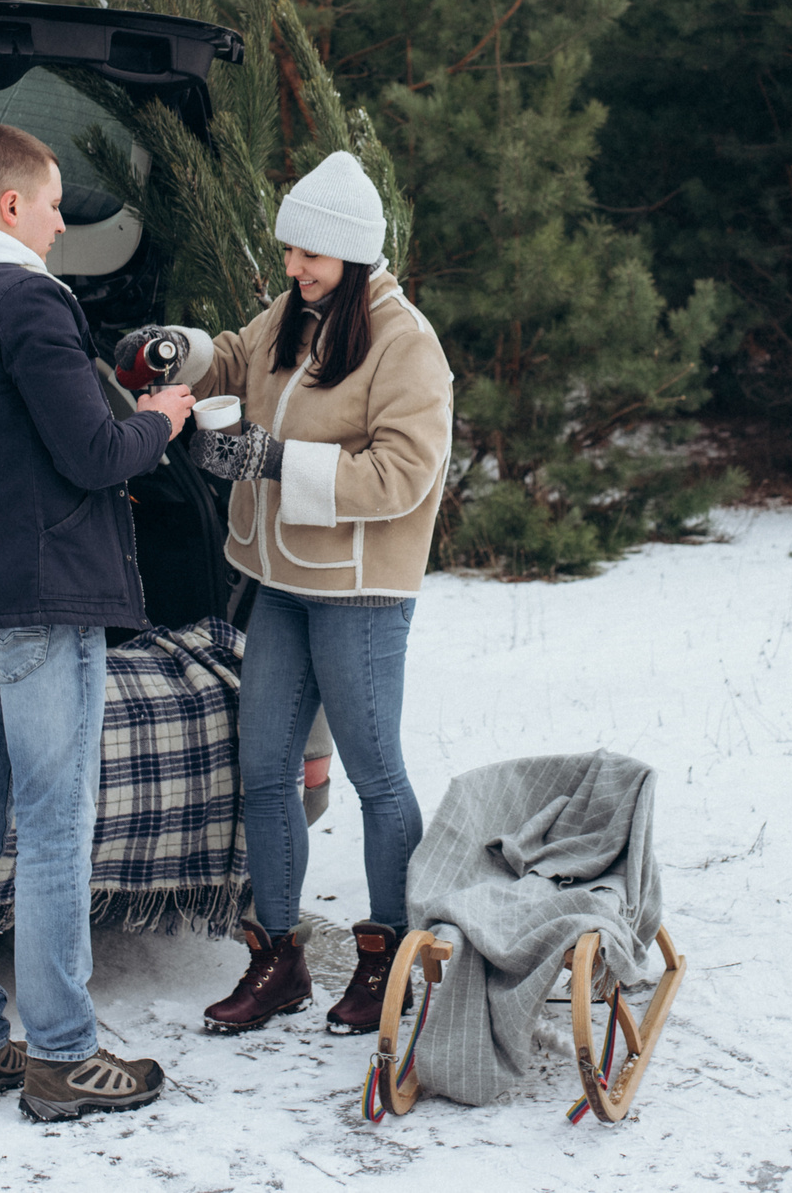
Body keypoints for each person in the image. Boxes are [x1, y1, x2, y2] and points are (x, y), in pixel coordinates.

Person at [0, 123, 196, 1121]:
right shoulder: (26, 299)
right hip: (39, 600)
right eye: (54, 205)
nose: (61, 225)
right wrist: (164, 417)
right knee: (56, 827)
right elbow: (96, 454)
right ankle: (62, 1054)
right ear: (10, 204)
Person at [111, 150, 452, 1038]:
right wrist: (171, 349)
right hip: (281, 584)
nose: (294, 267)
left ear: (355, 255)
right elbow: (230, 357)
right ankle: (278, 958)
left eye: (311, 254)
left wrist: (274, 461)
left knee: (375, 775)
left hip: (359, 593)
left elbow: (405, 473)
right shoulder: (294, 314)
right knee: (265, 768)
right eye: (290, 250)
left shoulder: (405, 342)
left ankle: (389, 958)